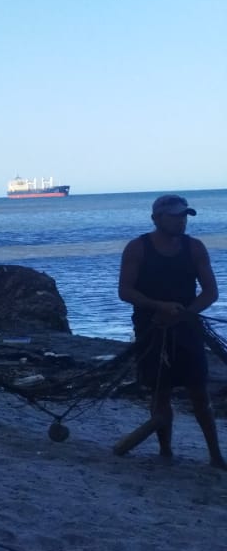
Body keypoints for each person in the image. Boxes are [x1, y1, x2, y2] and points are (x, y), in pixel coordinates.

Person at [116, 195, 222, 468]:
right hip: (150, 327)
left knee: (199, 391)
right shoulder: (137, 248)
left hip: (187, 326)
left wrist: (185, 314)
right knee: (160, 391)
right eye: (174, 216)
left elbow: (210, 292)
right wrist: (158, 306)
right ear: (156, 218)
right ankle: (165, 451)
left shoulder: (195, 248)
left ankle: (215, 455)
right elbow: (125, 291)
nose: (181, 221)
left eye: (184, 216)